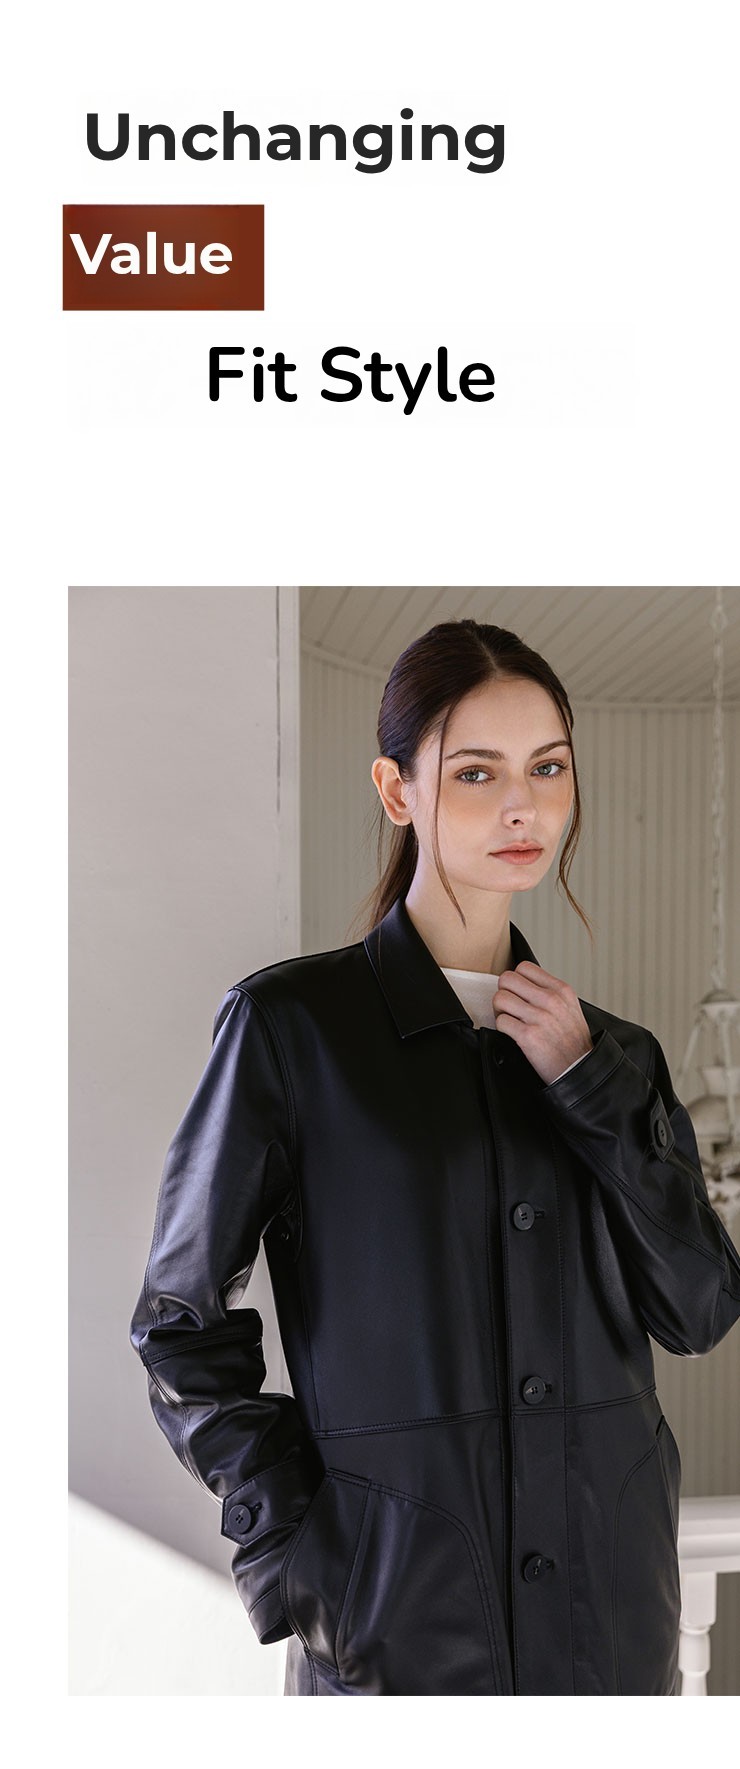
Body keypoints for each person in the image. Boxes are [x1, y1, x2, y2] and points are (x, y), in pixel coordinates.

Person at [130, 618, 740, 1697]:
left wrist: (590, 1091)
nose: (523, 805)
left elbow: (697, 1309)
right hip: (397, 1632)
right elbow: (180, 1320)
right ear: (396, 788)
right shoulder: (293, 1031)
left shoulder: (618, 1056)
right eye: (476, 771)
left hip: (609, 1625)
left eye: (548, 767)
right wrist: (298, 1555)